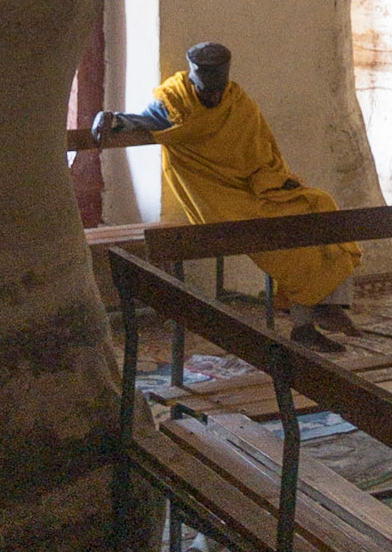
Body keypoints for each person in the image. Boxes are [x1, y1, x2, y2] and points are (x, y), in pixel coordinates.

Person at [93, 40, 360, 352]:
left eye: (218, 91)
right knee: (282, 237)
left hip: (256, 188)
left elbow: (262, 149)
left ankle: (321, 311)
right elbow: (139, 121)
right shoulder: (177, 102)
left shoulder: (237, 102)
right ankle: (309, 312)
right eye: (207, 92)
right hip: (215, 201)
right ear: (194, 82)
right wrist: (110, 119)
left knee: (320, 206)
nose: (214, 97)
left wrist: (277, 180)